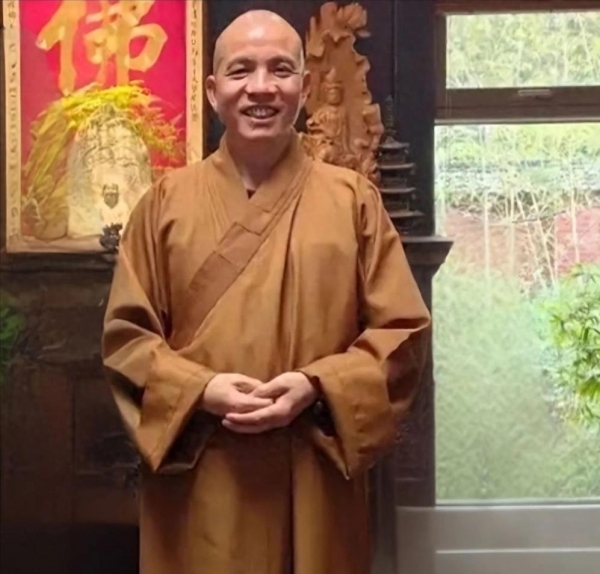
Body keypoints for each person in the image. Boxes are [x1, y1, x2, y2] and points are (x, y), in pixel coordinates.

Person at [102, 9, 430, 574]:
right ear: (214, 91)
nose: (261, 87)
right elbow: (127, 341)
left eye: (280, 69)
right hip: (203, 475)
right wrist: (201, 390)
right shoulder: (163, 206)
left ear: (304, 86)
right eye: (241, 71)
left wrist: (315, 385)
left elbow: (401, 334)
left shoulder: (353, 201)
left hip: (314, 469)